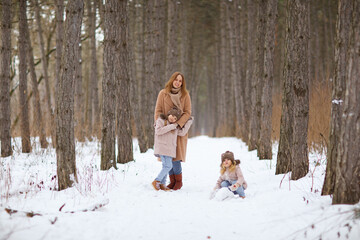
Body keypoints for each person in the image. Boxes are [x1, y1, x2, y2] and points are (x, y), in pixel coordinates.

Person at [154, 72, 192, 190]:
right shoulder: (163, 93)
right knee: (168, 156)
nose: (178, 82)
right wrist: (159, 123)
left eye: (180, 81)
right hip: (166, 129)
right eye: (176, 79)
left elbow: (187, 112)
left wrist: (178, 124)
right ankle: (171, 181)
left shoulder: (185, 95)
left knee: (177, 157)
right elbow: (158, 110)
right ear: (172, 80)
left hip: (178, 129)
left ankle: (178, 182)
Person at [152, 107, 193, 191]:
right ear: (168, 114)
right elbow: (158, 131)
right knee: (168, 166)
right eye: (172, 115)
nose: (173, 118)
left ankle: (162, 184)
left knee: (166, 166)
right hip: (162, 148)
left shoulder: (174, 126)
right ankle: (157, 181)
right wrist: (171, 126)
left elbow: (182, 132)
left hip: (170, 150)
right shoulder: (161, 120)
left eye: (175, 118)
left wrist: (189, 122)